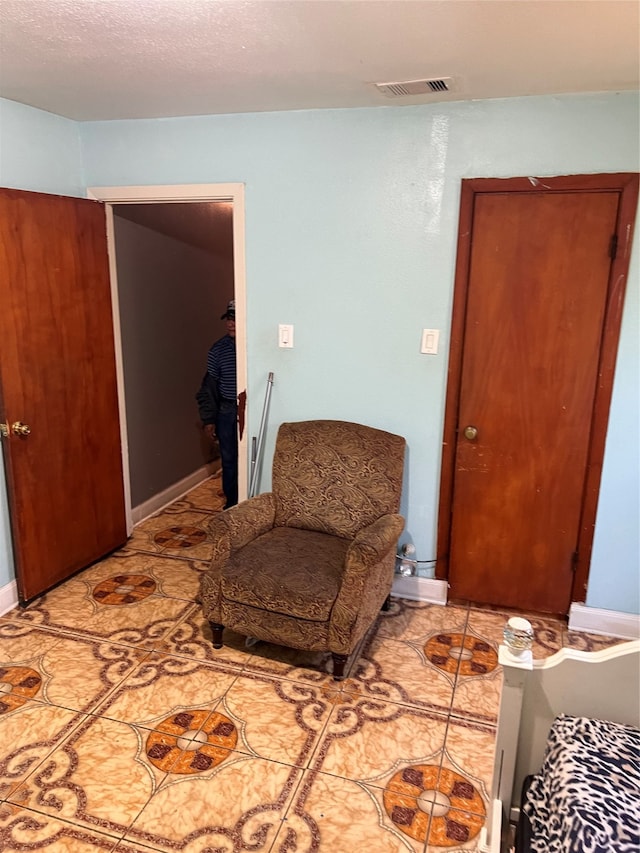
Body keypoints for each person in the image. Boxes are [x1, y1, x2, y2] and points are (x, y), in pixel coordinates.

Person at [196, 299, 238, 508]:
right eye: (229, 319)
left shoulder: (253, 349)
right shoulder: (218, 350)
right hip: (227, 410)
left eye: (235, 319)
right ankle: (232, 503)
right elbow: (208, 388)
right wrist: (208, 419)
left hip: (250, 410)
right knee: (229, 460)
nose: (231, 323)